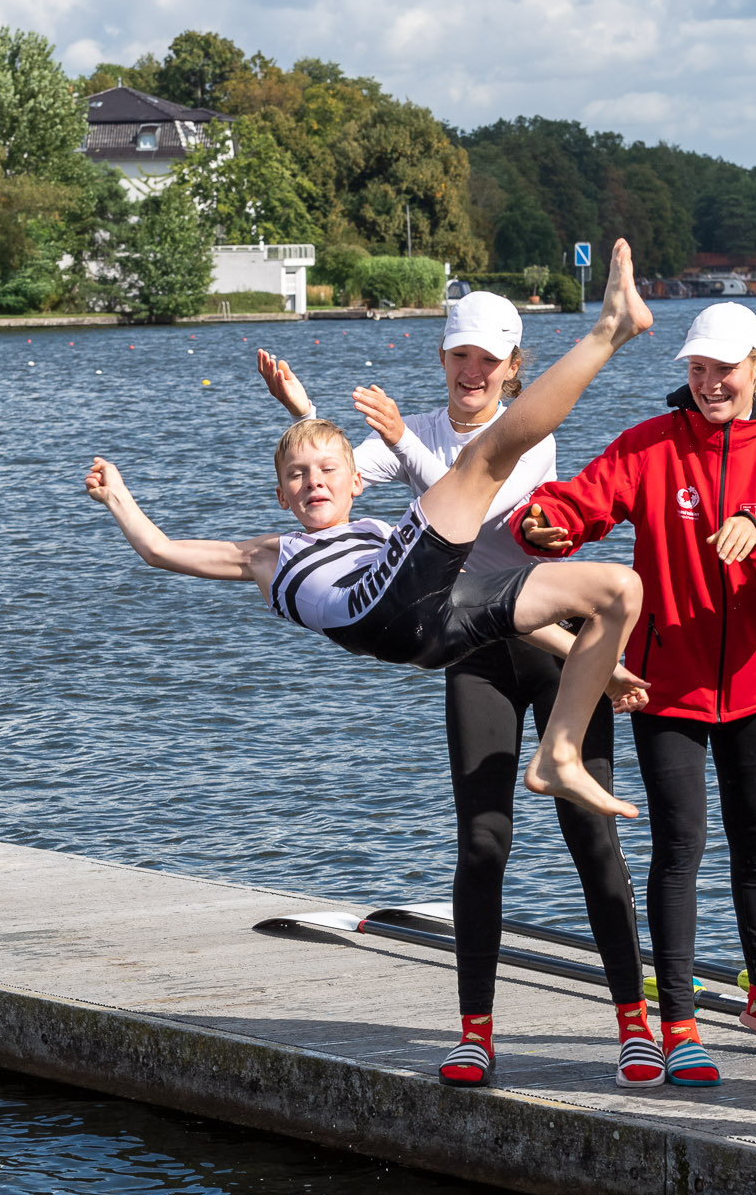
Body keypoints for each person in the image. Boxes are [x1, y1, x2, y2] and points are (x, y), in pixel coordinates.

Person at [86, 238, 650, 846]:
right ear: (281, 497)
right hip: (373, 606)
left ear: (355, 484)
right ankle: (609, 331)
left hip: (434, 625)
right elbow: (160, 550)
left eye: (330, 477)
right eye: (298, 482)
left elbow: (489, 606)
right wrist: (118, 496)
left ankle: (558, 753)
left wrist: (595, 663)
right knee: (484, 459)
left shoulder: (381, 534)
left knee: (619, 588)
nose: (314, 487)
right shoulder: (268, 553)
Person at [252, 293, 651, 1090]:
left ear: (513, 369)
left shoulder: (532, 430)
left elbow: (483, 500)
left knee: (590, 835)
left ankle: (634, 1024)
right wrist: (305, 413)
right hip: (477, 653)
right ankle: (475, 1032)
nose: (471, 372)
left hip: (550, 645)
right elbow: (329, 485)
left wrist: (590, 656)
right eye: (458, 356)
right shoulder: (411, 433)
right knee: (482, 842)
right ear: (443, 360)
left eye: (487, 360)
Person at [512, 302, 756, 1090]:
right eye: (696, 368)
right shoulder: (650, 446)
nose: (709, 382)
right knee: (679, 848)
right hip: (668, 690)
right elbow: (578, 505)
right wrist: (541, 522)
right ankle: (680, 1025)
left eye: (724, 368)